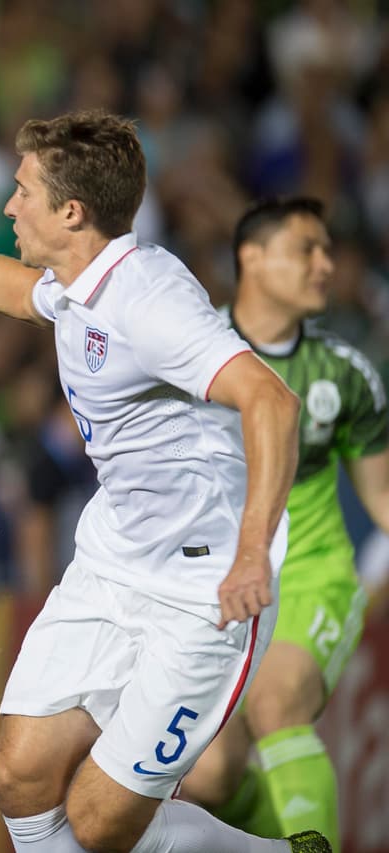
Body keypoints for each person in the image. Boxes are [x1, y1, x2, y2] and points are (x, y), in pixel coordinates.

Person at [0, 110, 336, 853]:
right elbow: (19, 291)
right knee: (18, 775)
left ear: (71, 211)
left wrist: (251, 552)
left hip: (204, 589)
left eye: (23, 191)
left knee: (97, 820)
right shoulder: (81, 282)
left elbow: (272, 401)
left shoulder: (149, 301)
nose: (7, 206)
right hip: (114, 561)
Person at [178, 197, 388, 852]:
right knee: (209, 774)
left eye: (329, 251)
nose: (326, 264)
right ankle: (295, 840)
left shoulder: (346, 373)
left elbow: (381, 497)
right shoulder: (184, 352)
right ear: (253, 256)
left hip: (312, 577)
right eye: (308, 249)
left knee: (275, 701)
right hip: (216, 585)